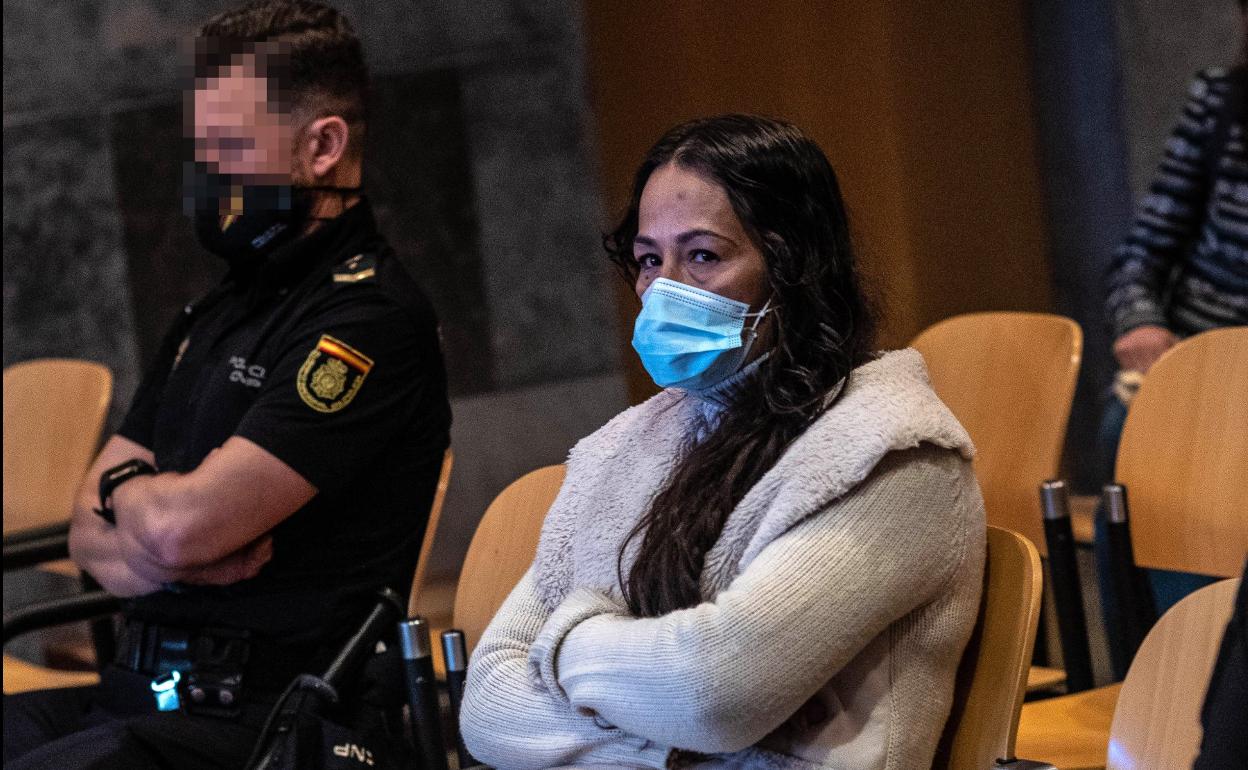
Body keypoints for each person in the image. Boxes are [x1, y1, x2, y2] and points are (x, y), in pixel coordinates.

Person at [459, 115, 986, 769]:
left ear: (794, 267)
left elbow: (714, 693)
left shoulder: (897, 453)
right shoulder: (626, 447)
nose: (664, 289)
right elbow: (488, 705)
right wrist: (671, 749)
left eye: (703, 255)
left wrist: (564, 643)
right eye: (650, 258)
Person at [2, 2, 451, 767]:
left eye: (230, 145)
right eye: (202, 147)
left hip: (271, 719)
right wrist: (160, 523)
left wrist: (142, 510)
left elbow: (179, 529)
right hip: (142, 695)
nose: (208, 174)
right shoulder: (221, 309)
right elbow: (85, 529)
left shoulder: (367, 319)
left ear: (323, 146)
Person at [1096, 2, 1248, 678]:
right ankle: (1178, 678)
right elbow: (1140, 255)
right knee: (1127, 430)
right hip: (1200, 364)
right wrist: (1140, 323)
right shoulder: (1223, 101)